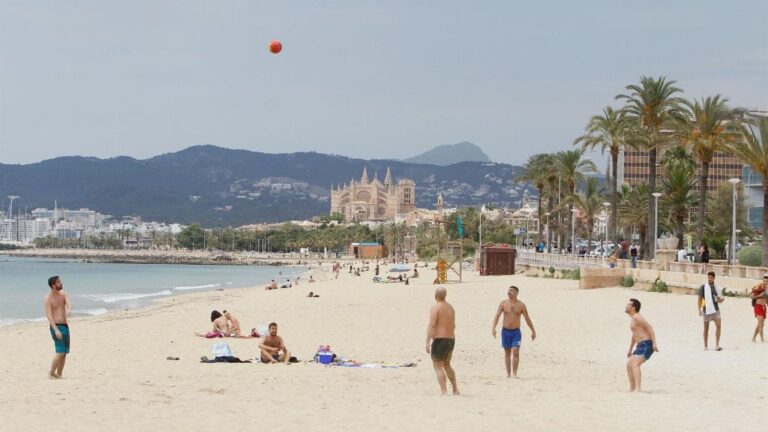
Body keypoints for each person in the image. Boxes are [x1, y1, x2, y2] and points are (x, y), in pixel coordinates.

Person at [491, 286, 537, 378]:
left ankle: (515, 374)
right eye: (508, 290)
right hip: (505, 331)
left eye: (511, 291)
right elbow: (497, 315)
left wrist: (533, 331)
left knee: (515, 351)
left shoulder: (521, 305)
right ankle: (508, 374)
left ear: (516, 293)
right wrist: (493, 328)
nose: (509, 292)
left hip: (516, 332)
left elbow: (527, 318)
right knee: (507, 352)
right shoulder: (503, 303)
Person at [426, 287, 459, 395]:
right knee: (447, 364)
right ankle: (455, 389)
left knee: (437, 366)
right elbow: (453, 325)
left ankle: (444, 391)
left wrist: (427, 341)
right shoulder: (451, 308)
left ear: (435, 295)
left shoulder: (436, 307)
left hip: (440, 339)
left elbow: (432, 325)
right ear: (445, 295)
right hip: (451, 338)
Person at [625, 298, 658, 392]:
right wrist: (630, 349)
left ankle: (638, 388)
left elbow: (650, 327)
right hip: (640, 345)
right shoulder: (633, 318)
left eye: (628, 305)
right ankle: (632, 388)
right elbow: (634, 334)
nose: (626, 306)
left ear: (633, 308)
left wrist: (654, 343)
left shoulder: (637, 317)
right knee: (629, 364)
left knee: (635, 364)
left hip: (646, 344)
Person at [44, 276, 71, 379]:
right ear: (53, 285)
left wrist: (69, 309)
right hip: (56, 326)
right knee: (60, 352)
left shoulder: (63, 293)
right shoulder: (48, 298)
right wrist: (56, 330)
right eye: (59, 282)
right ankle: (51, 373)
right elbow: (49, 315)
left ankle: (59, 374)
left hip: (65, 326)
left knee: (65, 353)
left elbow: (69, 304)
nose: (61, 283)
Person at [698, 271, 724, 350]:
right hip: (707, 310)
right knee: (706, 329)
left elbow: (722, 299)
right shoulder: (703, 287)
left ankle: (717, 345)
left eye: (711, 278)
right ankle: (705, 346)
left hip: (716, 310)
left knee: (719, 326)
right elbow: (700, 299)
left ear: (714, 278)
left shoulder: (717, 287)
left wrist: (718, 299)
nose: (709, 279)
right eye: (708, 277)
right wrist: (699, 309)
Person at [751, 275, 768, 342]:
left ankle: (753, 338)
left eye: (767, 281)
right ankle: (762, 339)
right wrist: (760, 295)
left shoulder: (767, 289)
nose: (765, 282)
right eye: (764, 281)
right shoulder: (759, 287)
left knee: (761, 324)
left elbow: (767, 300)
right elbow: (751, 297)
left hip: (764, 307)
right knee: (760, 323)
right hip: (758, 306)